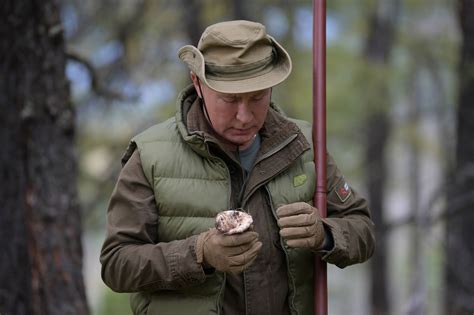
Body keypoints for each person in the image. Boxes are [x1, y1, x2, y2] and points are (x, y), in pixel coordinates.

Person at [100, 20, 375, 315]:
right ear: (198, 83)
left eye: (258, 97)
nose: (244, 116)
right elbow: (117, 263)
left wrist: (325, 233)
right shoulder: (150, 156)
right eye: (229, 100)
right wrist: (199, 254)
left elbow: (363, 230)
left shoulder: (305, 146)